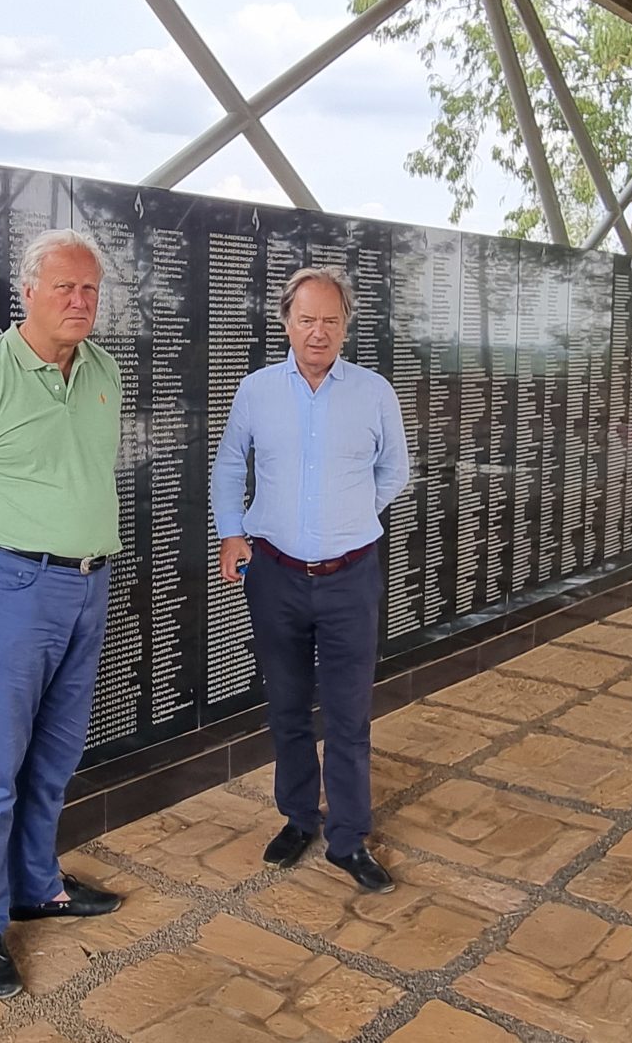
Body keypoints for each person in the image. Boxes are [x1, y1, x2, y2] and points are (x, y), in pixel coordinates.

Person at [0, 228, 123, 999]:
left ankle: (38, 884)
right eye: (65, 288)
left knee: (57, 755)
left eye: (91, 290)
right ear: (29, 292)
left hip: (87, 587)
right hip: (10, 589)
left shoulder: (103, 371)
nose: (80, 302)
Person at [211, 266, 410, 893]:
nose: (317, 332)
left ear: (346, 324)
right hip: (275, 575)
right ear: (286, 322)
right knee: (288, 705)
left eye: (330, 320)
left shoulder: (374, 392)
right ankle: (299, 817)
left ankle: (348, 839)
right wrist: (232, 531)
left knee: (349, 715)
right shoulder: (256, 391)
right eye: (306, 319)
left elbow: (394, 472)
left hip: (351, 575)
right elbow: (226, 466)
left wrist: (348, 516)